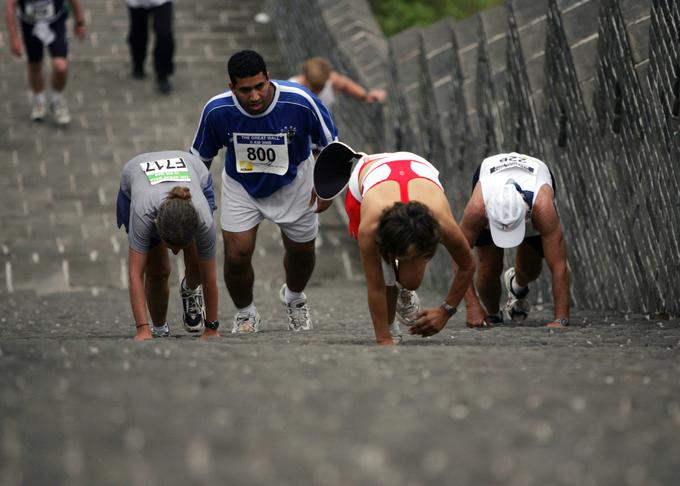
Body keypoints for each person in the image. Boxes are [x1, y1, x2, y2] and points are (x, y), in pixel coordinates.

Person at [190, 50, 338, 334]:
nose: (255, 96)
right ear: (231, 87)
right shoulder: (217, 110)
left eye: (260, 86)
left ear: (269, 78)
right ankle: (246, 313)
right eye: (245, 90)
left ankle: (294, 297)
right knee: (236, 255)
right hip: (242, 186)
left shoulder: (301, 101)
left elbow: (331, 146)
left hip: (295, 182)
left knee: (302, 253)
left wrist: (327, 187)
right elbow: (199, 160)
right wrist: (194, 197)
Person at [318, 146, 475, 345]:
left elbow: (467, 265)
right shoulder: (371, 226)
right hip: (367, 175)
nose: (404, 260)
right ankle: (392, 324)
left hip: (413, 166)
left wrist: (446, 311)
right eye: (400, 255)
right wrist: (384, 339)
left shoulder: (442, 223)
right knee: (385, 276)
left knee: (411, 281)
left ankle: (404, 289)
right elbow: (375, 287)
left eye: (412, 256)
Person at [116, 150, 220, 341]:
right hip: (138, 180)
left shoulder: (203, 219)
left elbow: (210, 275)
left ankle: (190, 288)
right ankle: (159, 327)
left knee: (198, 265)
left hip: (194, 173)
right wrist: (142, 329)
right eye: (170, 245)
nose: (175, 252)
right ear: (155, 224)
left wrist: (212, 327)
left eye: (180, 246)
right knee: (158, 271)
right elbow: (135, 274)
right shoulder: (143, 211)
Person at [458, 152, 570, 328]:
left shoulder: (542, 208)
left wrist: (561, 319)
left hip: (533, 183)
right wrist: (472, 306)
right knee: (488, 269)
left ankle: (517, 285)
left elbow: (558, 265)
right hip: (492, 177)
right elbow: (459, 258)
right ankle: (493, 314)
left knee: (530, 269)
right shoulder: (477, 209)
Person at [5, 0, 85, 124]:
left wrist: (79, 21)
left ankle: (56, 100)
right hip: (30, 24)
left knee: (61, 67)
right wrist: (13, 37)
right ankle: (39, 101)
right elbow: (10, 4)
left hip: (55, 22)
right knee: (35, 65)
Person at [289, 57, 386, 111]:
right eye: (315, 87)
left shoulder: (332, 81)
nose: (318, 92)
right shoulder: (290, 91)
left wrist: (365, 96)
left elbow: (346, 85)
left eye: (321, 87)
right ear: (305, 77)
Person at [126, 0, 174, 94]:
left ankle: (163, 74)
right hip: (137, 3)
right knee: (138, 34)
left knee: (164, 34)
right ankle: (138, 64)